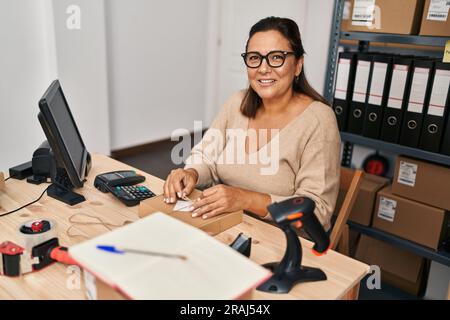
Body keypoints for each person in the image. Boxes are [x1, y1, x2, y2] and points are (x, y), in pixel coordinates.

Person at [163, 16, 340, 231]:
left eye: (276, 57)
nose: (263, 69)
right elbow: (206, 156)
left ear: (298, 65)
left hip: (282, 241)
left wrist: (245, 199)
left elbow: (317, 211)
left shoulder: (319, 120)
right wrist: (191, 173)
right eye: (255, 58)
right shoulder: (238, 102)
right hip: (224, 224)